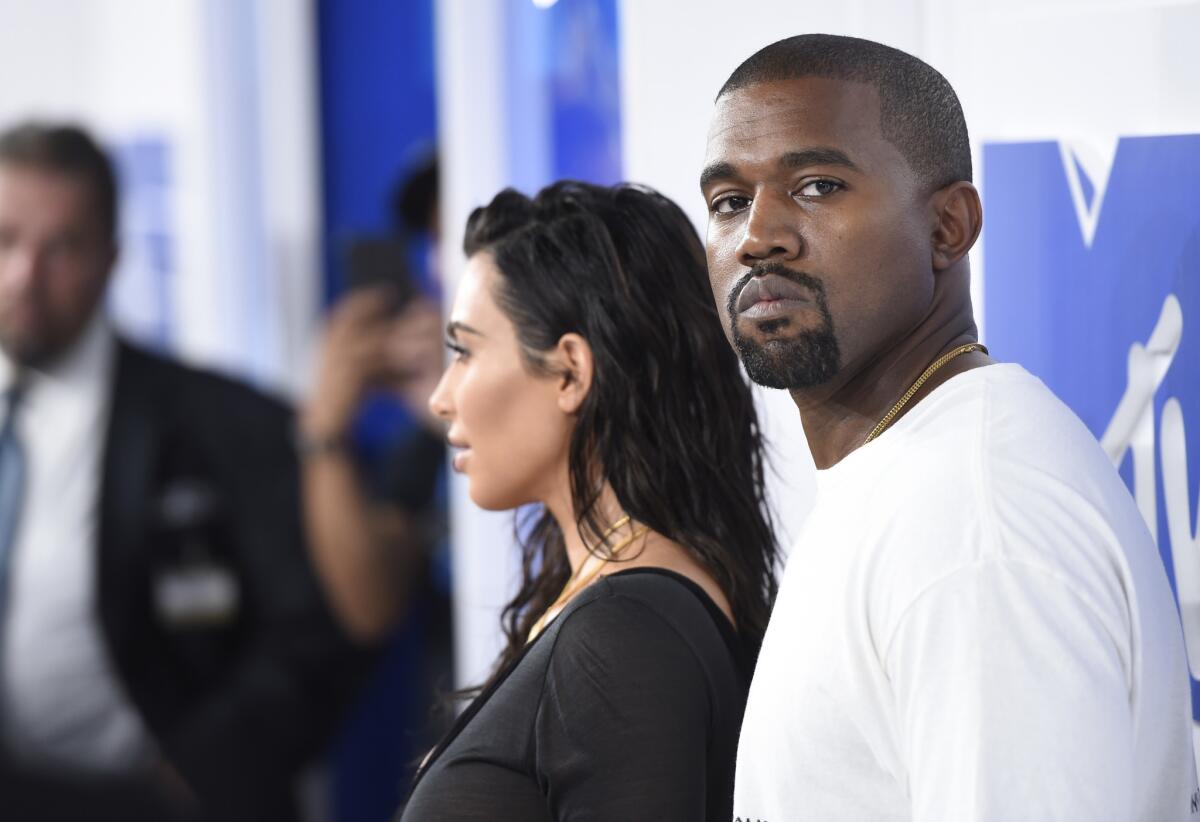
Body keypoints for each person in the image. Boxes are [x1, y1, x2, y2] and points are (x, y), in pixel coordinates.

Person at [699, 34, 1197, 821]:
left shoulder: (976, 517)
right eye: (729, 202)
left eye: (818, 186)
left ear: (949, 226)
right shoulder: (912, 470)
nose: (758, 236)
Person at [0, 122, 369, 821]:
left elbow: (315, 629)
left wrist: (201, 774)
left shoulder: (224, 425)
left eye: (62, 246)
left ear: (110, 257)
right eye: (6, 239)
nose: (26, 274)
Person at [399, 181, 778, 821]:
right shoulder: (620, 607)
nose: (441, 398)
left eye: (463, 351)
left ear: (571, 371)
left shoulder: (625, 633)